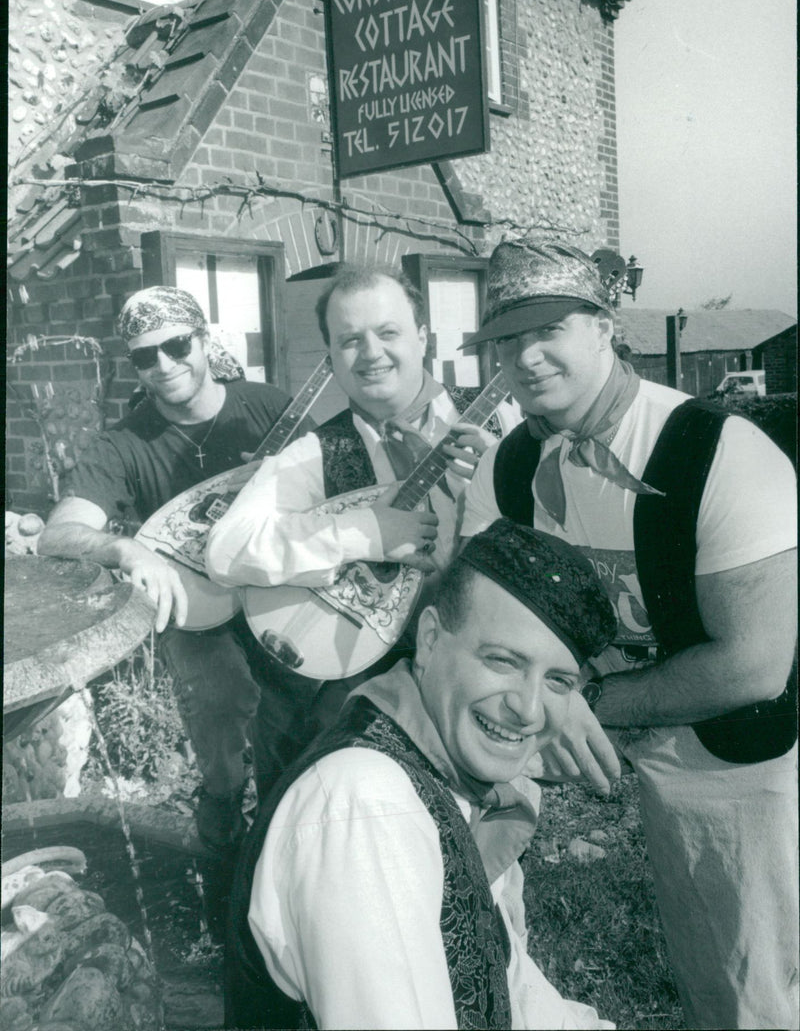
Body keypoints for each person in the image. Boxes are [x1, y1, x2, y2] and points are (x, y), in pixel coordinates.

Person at [460, 240, 798, 1030]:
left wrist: (588, 700)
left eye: (550, 329)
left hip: (729, 741)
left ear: (606, 326)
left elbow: (754, 664)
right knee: (709, 974)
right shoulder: (511, 464)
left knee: (756, 977)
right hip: (597, 718)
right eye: (506, 339)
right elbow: (482, 612)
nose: (527, 356)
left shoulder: (719, 450)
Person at [226, 518, 617, 1031]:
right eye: (502, 661)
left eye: (558, 682)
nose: (528, 709)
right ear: (429, 639)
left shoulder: (446, 772)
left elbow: (508, 982)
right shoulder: (369, 808)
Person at [205, 262, 501, 798]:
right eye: (349, 341)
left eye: (387, 332)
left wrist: (497, 485)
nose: (370, 354)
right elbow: (226, 551)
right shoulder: (315, 452)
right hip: (350, 692)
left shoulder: (498, 430)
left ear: (423, 338)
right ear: (332, 358)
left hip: (471, 687)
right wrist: (363, 532)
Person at [38, 286, 309, 853]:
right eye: (143, 356)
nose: (163, 365)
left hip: (277, 587)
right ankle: (223, 808)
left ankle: (291, 829)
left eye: (176, 345)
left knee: (297, 718)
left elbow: (329, 488)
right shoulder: (123, 443)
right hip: (197, 607)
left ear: (204, 340)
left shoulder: (266, 406)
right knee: (219, 697)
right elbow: (58, 532)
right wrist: (126, 550)